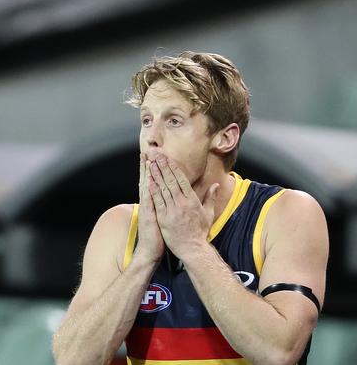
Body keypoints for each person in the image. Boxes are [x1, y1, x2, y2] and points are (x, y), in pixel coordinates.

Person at [52, 51, 329, 365]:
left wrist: (194, 247)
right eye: (146, 120)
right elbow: (72, 359)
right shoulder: (119, 226)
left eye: (173, 121)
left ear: (225, 137)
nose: (152, 138)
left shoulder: (286, 213)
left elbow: (279, 351)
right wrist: (144, 259)